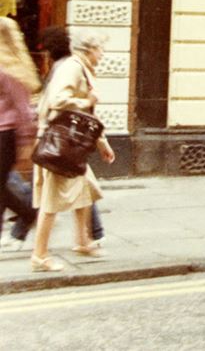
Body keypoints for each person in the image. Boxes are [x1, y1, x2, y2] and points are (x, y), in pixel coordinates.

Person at [31, 30, 115, 272]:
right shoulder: (73, 68)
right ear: (89, 49)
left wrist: (102, 142)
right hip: (59, 146)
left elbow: (86, 117)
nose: (102, 54)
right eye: (101, 49)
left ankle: (82, 241)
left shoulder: (80, 67)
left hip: (69, 144)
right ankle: (39, 256)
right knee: (52, 199)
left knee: (85, 188)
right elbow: (59, 100)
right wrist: (86, 101)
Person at [0, 17, 40, 251]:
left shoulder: (11, 70)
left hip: (6, 134)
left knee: (1, 185)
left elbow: (24, 110)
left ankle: (29, 211)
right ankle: (28, 211)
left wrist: (26, 142)